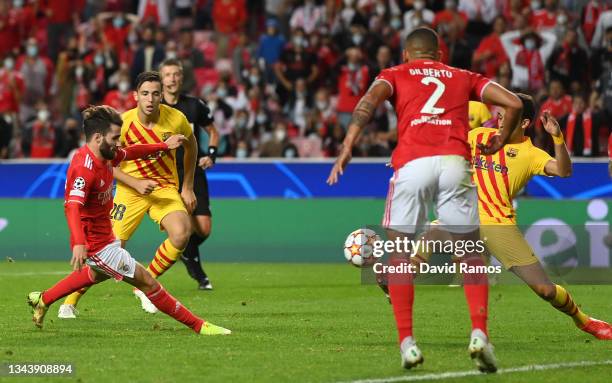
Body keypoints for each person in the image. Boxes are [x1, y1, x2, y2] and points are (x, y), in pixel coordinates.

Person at [327, 27, 523, 372]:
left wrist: (347, 146)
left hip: (412, 163)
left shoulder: (394, 74)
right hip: (453, 162)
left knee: (401, 253)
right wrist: (501, 137)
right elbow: (515, 102)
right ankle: (479, 334)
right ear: (439, 55)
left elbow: (366, 104)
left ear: (406, 54)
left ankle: (408, 344)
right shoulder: (463, 76)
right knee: (471, 251)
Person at [27, 105, 230, 335]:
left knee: (94, 274)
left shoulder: (106, 154)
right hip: (97, 245)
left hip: (106, 237)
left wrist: (164, 145)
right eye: (115, 138)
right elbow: (73, 206)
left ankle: (43, 299)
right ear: (97, 137)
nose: (118, 143)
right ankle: (199, 326)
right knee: (148, 284)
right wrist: (79, 242)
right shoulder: (85, 169)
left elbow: (132, 152)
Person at [58, 71, 198, 317]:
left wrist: (187, 186)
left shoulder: (177, 119)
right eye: (145, 93)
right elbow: (110, 162)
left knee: (182, 232)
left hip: (163, 187)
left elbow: (191, 146)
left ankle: (145, 288)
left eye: (156, 93)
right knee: (107, 251)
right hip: (128, 190)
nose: (151, 99)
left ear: (162, 95)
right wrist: (135, 182)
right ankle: (69, 301)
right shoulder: (122, 124)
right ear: (136, 96)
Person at [118, 58, 219, 290]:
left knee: (199, 228)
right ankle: (69, 299)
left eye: (176, 74)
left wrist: (207, 160)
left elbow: (201, 139)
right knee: (113, 250)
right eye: (168, 74)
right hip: (146, 180)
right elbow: (112, 158)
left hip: (182, 174)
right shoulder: (129, 119)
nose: (172, 78)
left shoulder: (190, 109)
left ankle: (171, 263)